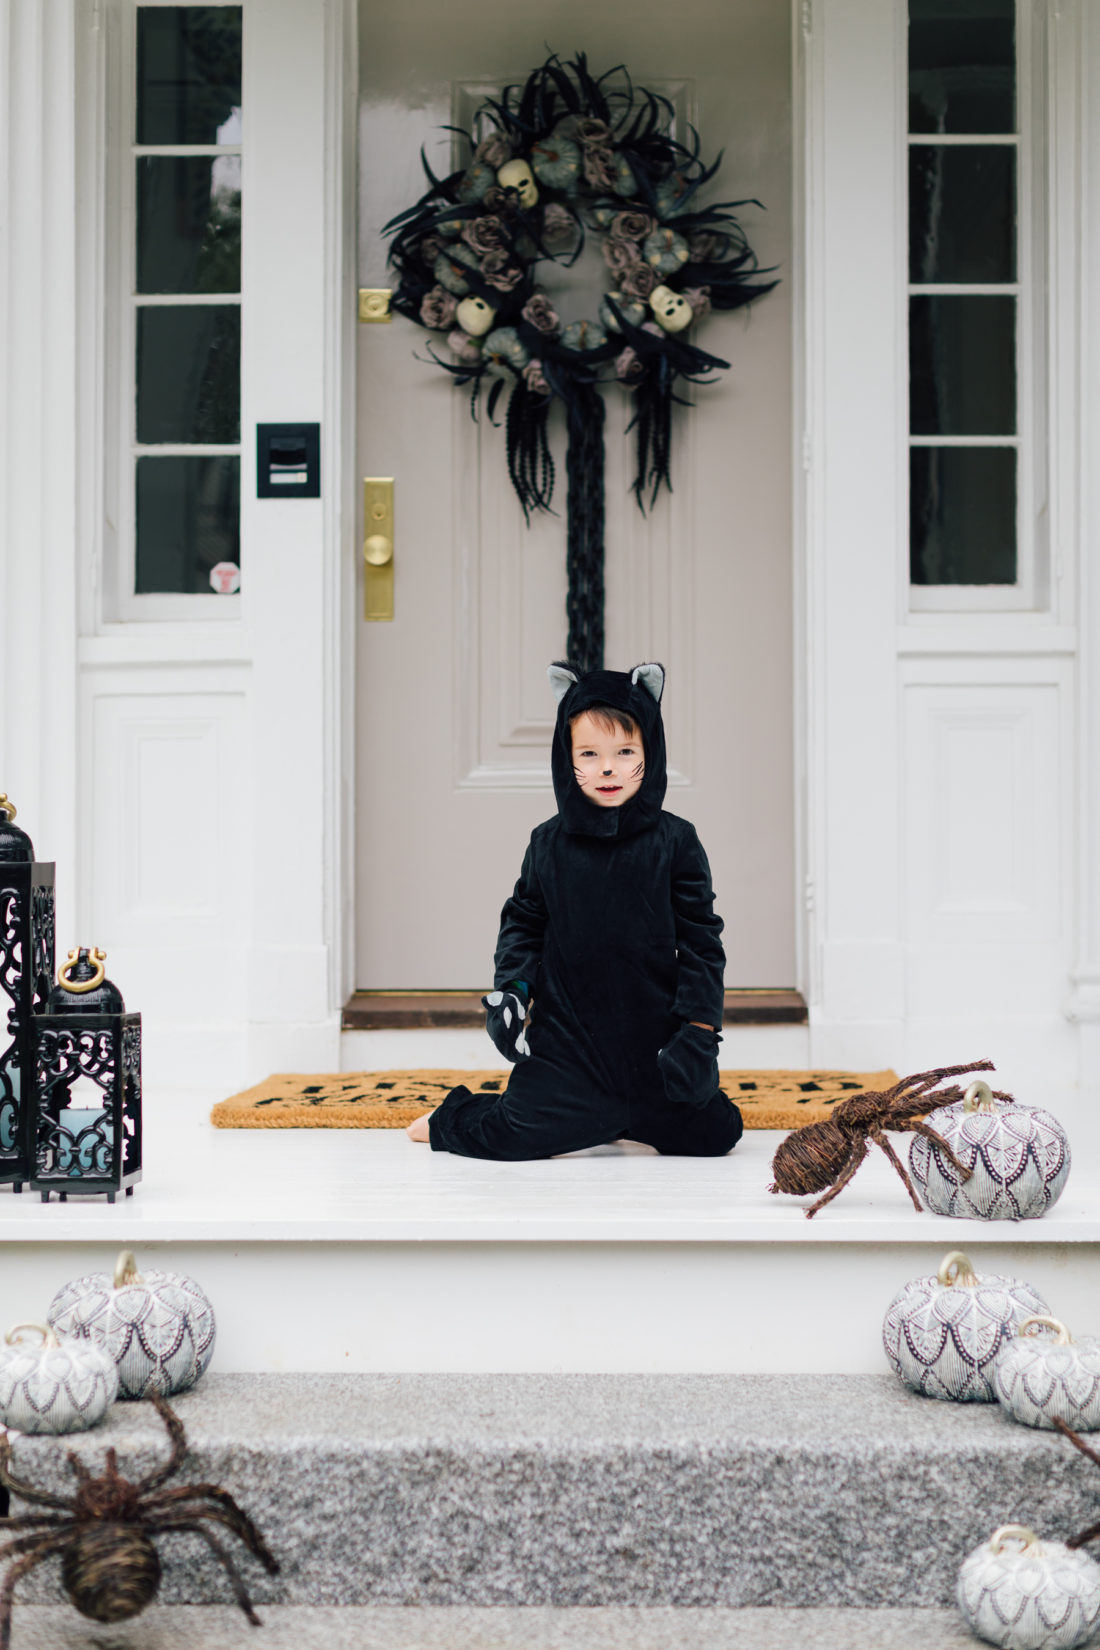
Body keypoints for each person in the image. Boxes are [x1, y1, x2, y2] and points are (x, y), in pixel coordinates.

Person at [406, 660, 743, 1160]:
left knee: (719, 1134)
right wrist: (514, 992)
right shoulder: (548, 843)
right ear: (568, 760)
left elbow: (701, 942)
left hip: (656, 1050)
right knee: (506, 1136)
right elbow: (522, 922)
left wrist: (698, 1032)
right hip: (569, 1051)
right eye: (589, 753)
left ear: (650, 752)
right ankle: (452, 1114)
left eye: (625, 752)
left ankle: (626, 1117)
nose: (607, 768)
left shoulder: (677, 842)